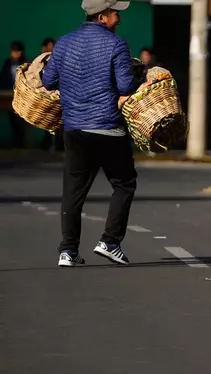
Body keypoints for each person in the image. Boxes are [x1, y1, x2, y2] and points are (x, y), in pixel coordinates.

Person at [42, 0, 143, 267]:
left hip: (75, 129)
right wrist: (137, 77)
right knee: (124, 184)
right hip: (107, 128)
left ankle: (68, 251)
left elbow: (48, 81)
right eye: (115, 13)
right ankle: (110, 242)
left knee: (73, 192)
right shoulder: (116, 44)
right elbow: (124, 85)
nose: (118, 18)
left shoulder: (63, 43)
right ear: (101, 17)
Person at [0, 41, 28, 149]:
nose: (15, 54)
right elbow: (3, 77)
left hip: (22, 96)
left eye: (17, 51)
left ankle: (21, 143)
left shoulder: (25, 63)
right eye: (13, 51)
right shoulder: (8, 63)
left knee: (20, 120)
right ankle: (16, 143)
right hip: (9, 94)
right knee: (12, 119)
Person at [39, 37, 65, 152]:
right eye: (48, 47)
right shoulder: (38, 64)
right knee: (47, 123)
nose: (50, 49)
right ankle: (46, 145)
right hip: (43, 99)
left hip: (58, 98)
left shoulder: (58, 62)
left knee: (58, 123)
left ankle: (59, 146)